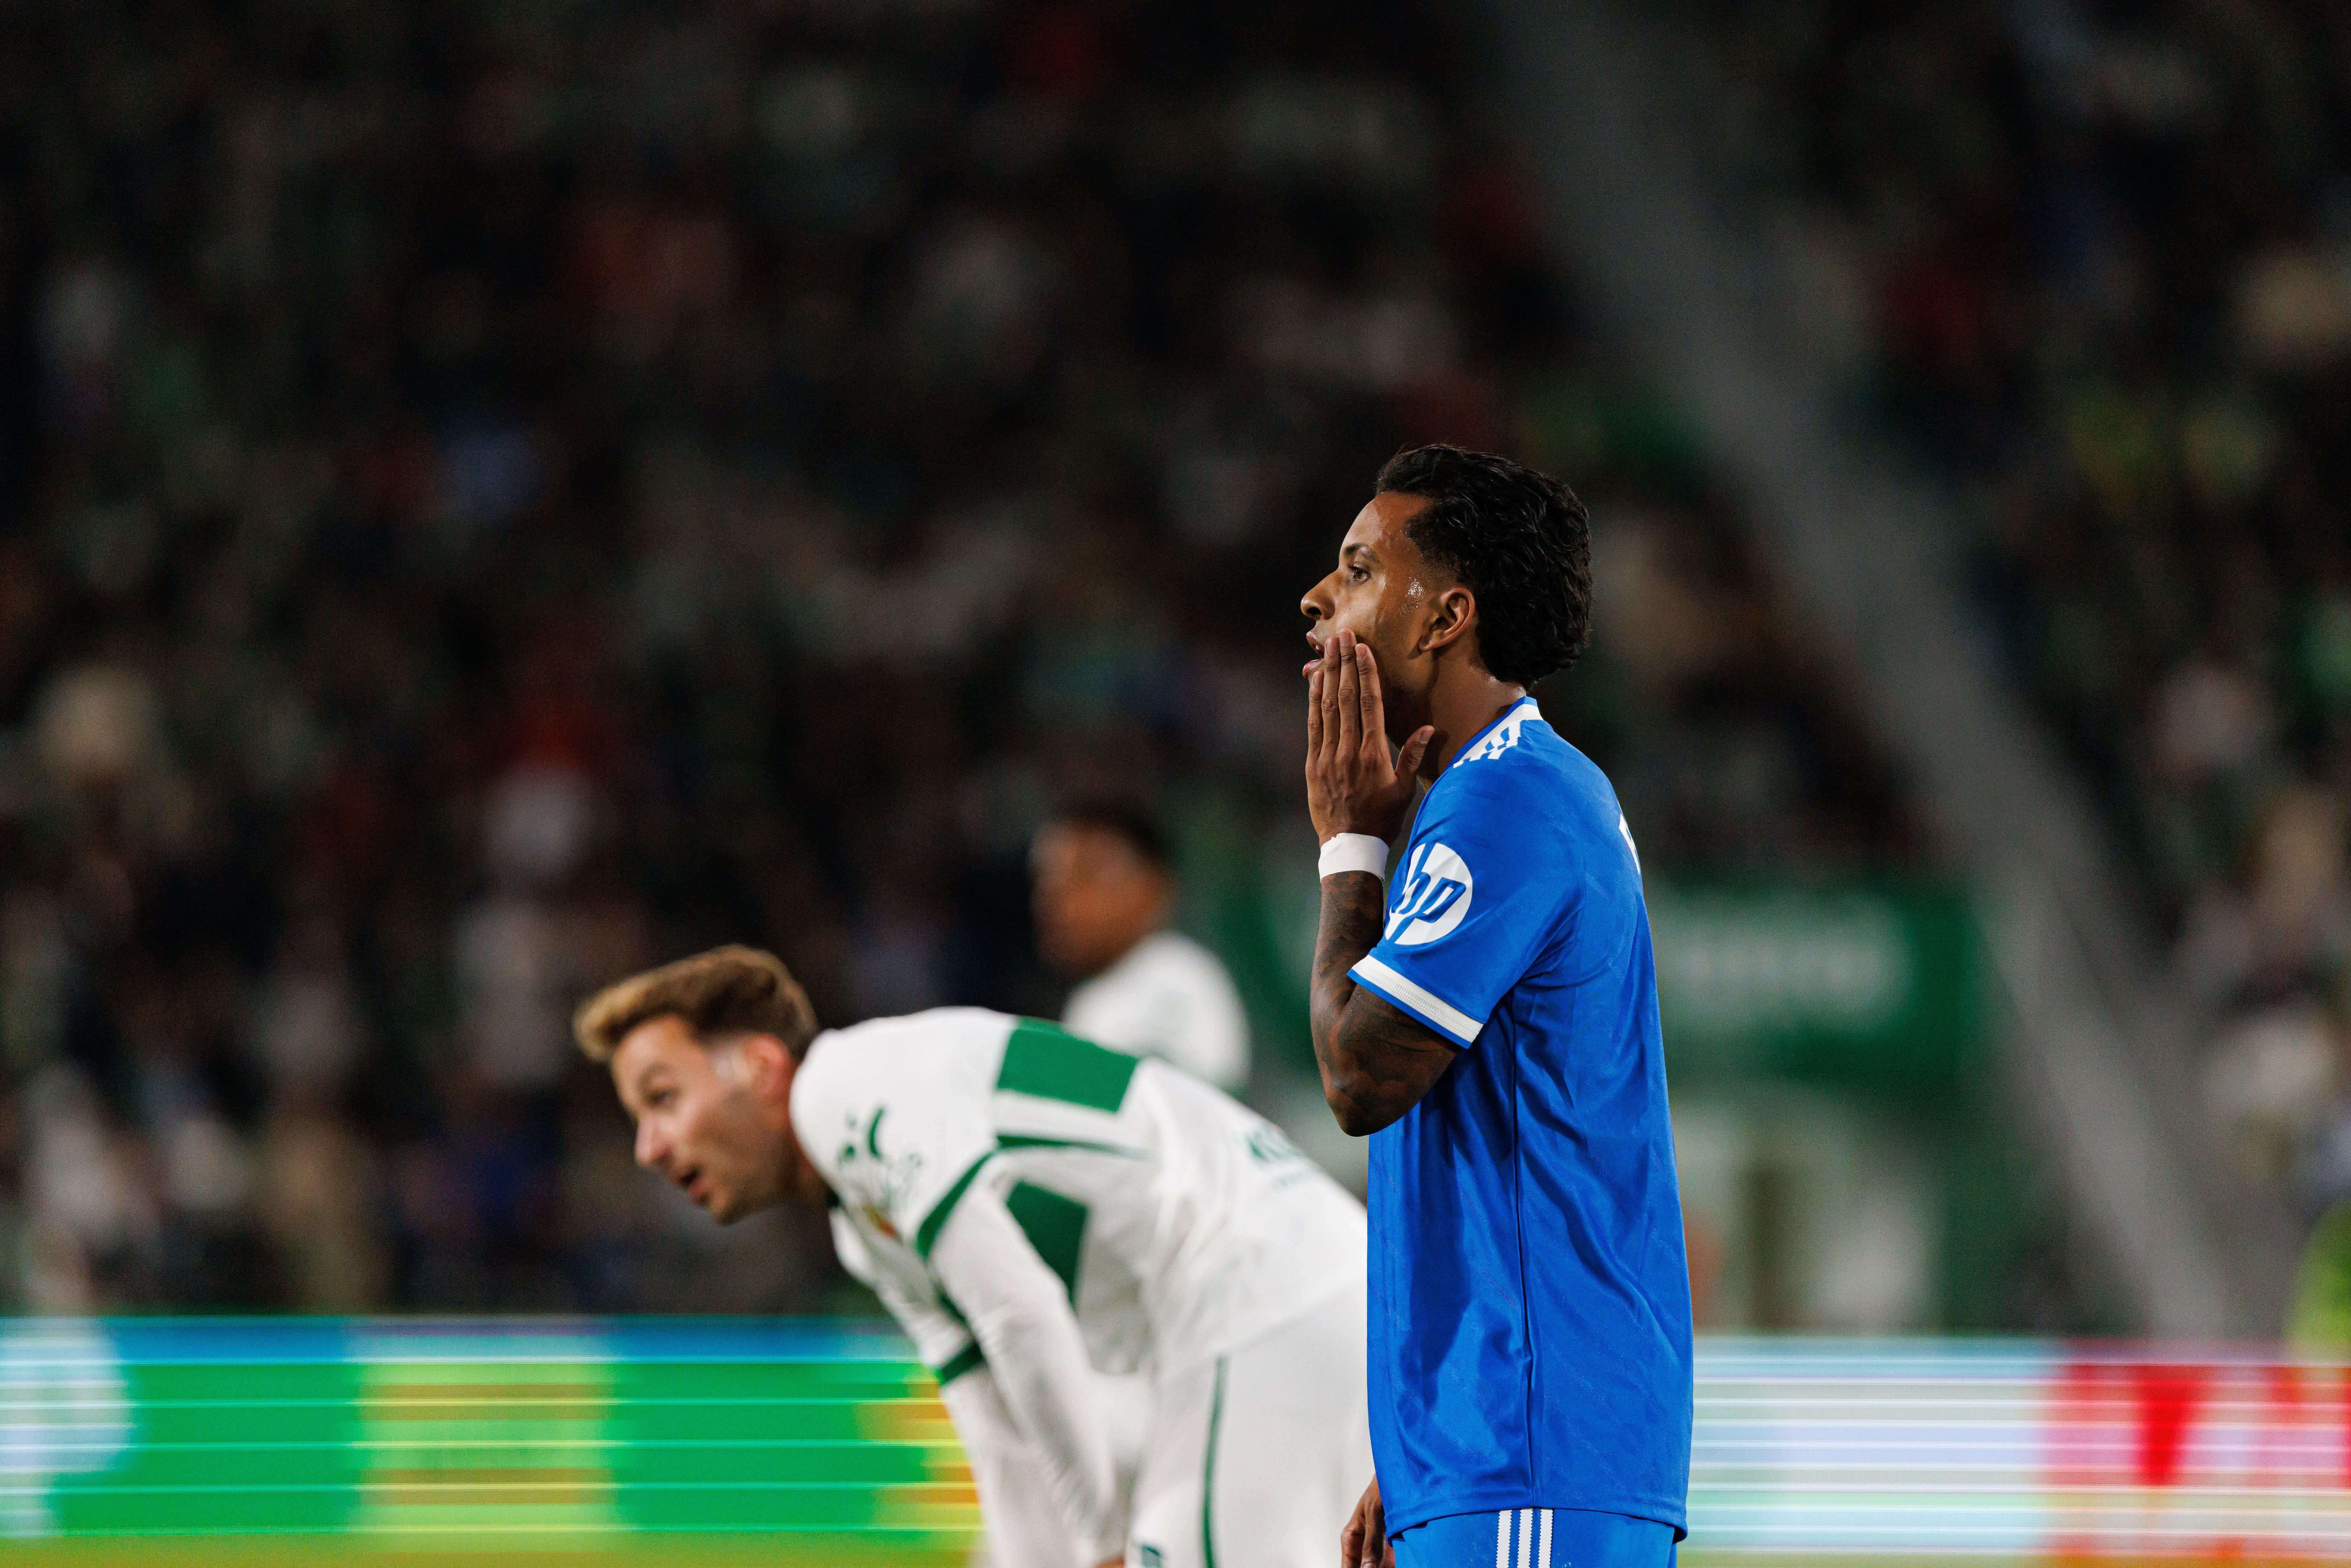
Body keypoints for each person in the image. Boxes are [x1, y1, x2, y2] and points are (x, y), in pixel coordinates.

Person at [573, 945, 1370, 1568]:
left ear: (761, 1065)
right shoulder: (865, 1228)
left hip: (1258, 1292)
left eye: (663, 1097)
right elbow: (1003, 1444)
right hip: (1296, 1292)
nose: (647, 1148)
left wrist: (1098, 1547)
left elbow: (1019, 1312)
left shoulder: (847, 1091)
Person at [1297, 446, 1692, 1568]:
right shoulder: (1496, 795)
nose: (1317, 596)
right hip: (1499, 1453)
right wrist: (1420, 1454)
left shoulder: (1507, 803)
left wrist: (1346, 847)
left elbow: (1357, 1074)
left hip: (1533, 1452)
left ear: (1444, 616)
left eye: (1359, 568)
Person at [1031, 799, 1251, 1094]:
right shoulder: (1095, 998)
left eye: (1086, 875)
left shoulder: (1175, 974)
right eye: (1049, 879)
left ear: (1153, 886)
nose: (1057, 899)